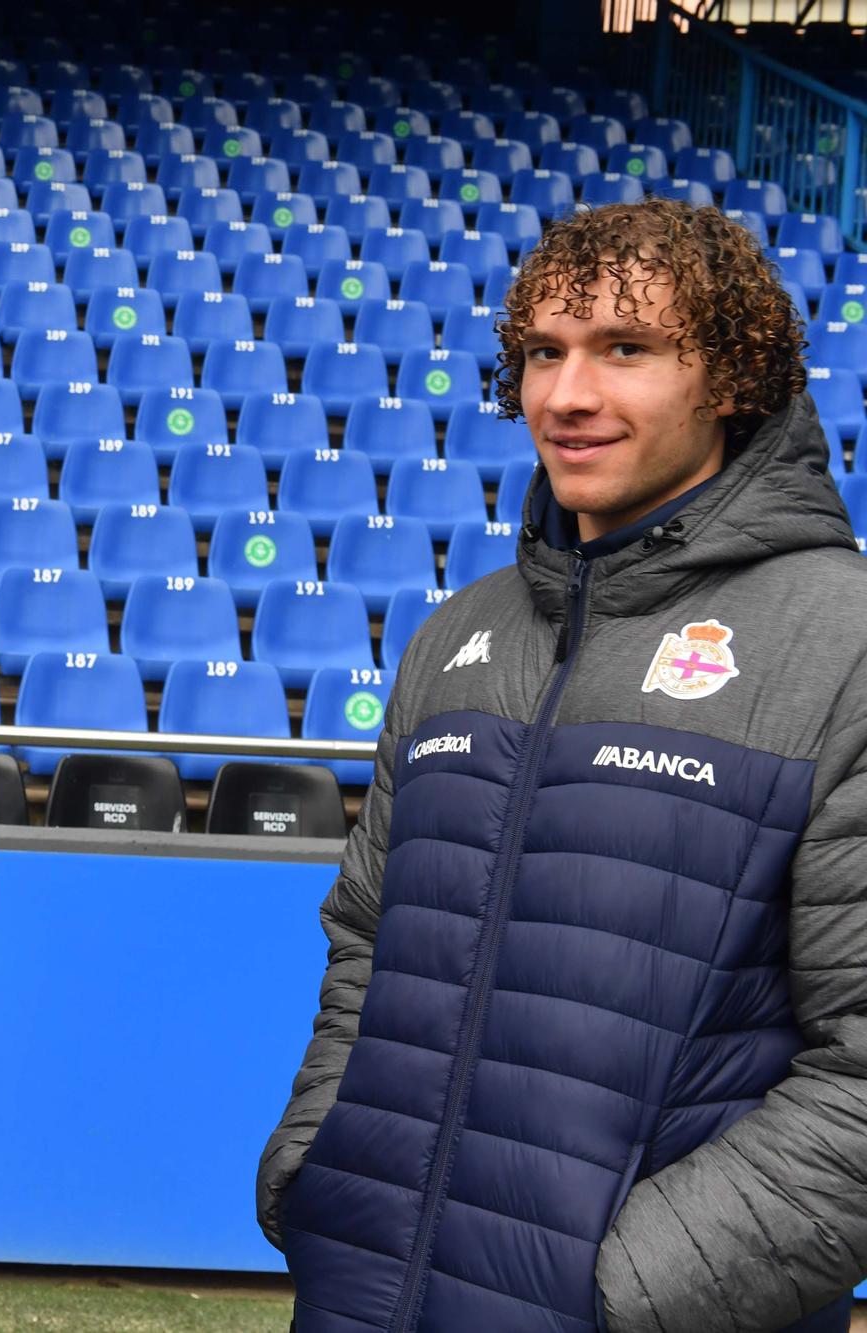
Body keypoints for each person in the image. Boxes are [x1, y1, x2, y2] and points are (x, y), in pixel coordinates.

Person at [258, 198, 867, 1332]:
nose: (565, 395)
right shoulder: (457, 635)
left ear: (730, 378)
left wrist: (620, 1294)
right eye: (543, 352)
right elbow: (366, 941)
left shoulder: (842, 645)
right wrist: (319, 1166)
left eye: (623, 349)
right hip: (367, 1295)